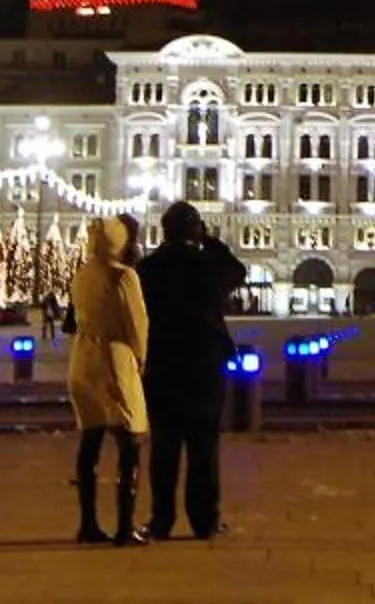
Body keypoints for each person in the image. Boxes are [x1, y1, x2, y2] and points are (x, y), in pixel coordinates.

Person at [137, 201, 246, 541]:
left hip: (162, 363)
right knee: (203, 447)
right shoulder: (207, 265)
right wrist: (210, 240)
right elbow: (237, 271)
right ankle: (204, 520)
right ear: (195, 230)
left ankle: (161, 518)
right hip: (203, 364)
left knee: (164, 447)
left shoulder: (148, 268)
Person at [66, 214, 151, 547]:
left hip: (82, 358)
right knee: (129, 441)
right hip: (114, 358)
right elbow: (137, 323)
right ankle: (124, 526)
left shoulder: (83, 273)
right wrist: (141, 359)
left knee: (90, 441)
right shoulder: (124, 276)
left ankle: (88, 523)